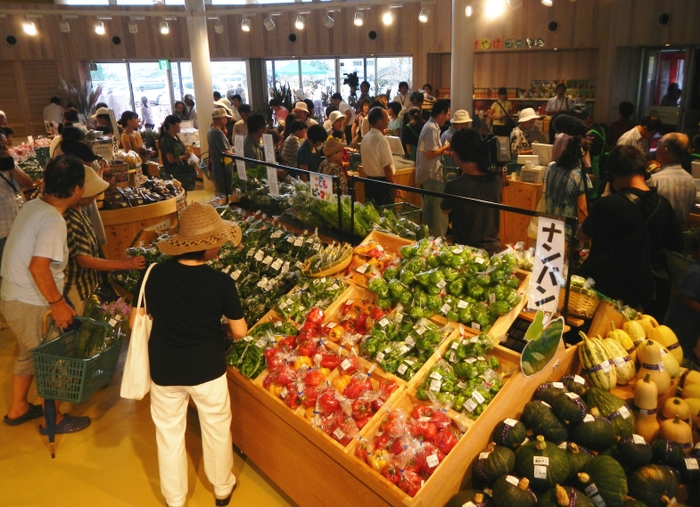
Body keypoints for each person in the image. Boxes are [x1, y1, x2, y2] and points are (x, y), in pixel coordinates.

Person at [131, 202, 247, 507]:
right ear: (207, 247)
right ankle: (222, 489)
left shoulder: (154, 275)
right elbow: (240, 331)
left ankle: (175, 498)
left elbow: (135, 321)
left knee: (168, 434)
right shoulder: (221, 283)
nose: (221, 245)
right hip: (207, 368)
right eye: (218, 241)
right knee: (216, 428)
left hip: (164, 368)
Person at [1, 154, 91, 433]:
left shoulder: (33, 205)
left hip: (13, 298)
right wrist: (59, 304)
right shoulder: (53, 220)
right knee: (51, 361)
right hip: (31, 301)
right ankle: (54, 421)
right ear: (77, 190)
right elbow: (39, 268)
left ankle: (18, 409)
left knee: (30, 354)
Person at [576, 145, 682, 310]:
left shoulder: (609, 204)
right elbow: (675, 246)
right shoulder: (664, 205)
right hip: (646, 292)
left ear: (613, 174)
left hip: (608, 290)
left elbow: (582, 234)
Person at [64, 167, 145, 314]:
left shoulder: (80, 209)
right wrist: (124, 264)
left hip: (90, 283)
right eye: (92, 192)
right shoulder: (69, 218)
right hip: (78, 288)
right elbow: (84, 260)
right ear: (78, 191)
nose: (95, 196)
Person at [440, 128, 502, 254]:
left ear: (455, 154)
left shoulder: (454, 186)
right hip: (493, 250)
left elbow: (444, 210)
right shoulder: (496, 180)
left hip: (465, 255)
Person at [416, 99, 452, 237]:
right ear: (441, 113)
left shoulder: (430, 126)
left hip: (428, 174)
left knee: (429, 210)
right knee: (439, 211)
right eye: (447, 114)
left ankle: (428, 238)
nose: (448, 117)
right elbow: (431, 154)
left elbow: (432, 151)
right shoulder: (431, 128)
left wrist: (447, 151)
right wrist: (446, 147)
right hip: (432, 174)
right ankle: (438, 239)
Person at [0, 136, 34, 275]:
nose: (6, 150)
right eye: (2, 147)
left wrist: (12, 168)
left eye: (5, 145)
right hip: (2, 234)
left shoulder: (9, 165)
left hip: (17, 228)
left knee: (19, 269)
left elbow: (28, 184)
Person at [543, 136, 591, 232]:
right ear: (584, 153)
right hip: (567, 231)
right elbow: (582, 208)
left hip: (549, 226)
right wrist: (585, 232)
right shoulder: (580, 176)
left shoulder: (551, 167)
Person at [664, 236, 700, 363]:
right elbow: (686, 298)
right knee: (678, 355)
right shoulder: (696, 272)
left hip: (690, 325)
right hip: (683, 324)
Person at [649, 133, 695, 226]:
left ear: (665, 150)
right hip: (678, 234)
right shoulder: (690, 181)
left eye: (658, 145)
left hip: (656, 235)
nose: (656, 149)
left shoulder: (654, 180)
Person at [360, 107, 396, 206]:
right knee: (385, 217)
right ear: (379, 122)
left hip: (369, 182)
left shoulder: (366, 137)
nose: (388, 119)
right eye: (386, 117)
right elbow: (387, 168)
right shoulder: (381, 140)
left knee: (372, 215)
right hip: (382, 184)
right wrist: (394, 187)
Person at [208, 107, 235, 200]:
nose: (227, 120)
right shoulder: (217, 133)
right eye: (225, 118)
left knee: (221, 192)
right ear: (221, 119)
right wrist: (236, 155)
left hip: (216, 167)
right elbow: (224, 151)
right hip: (223, 168)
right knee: (226, 193)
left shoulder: (210, 131)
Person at [441, 110, 472, 182]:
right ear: (459, 124)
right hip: (452, 169)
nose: (467, 126)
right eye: (466, 124)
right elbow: (444, 152)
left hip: (449, 169)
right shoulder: (452, 136)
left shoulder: (446, 133)